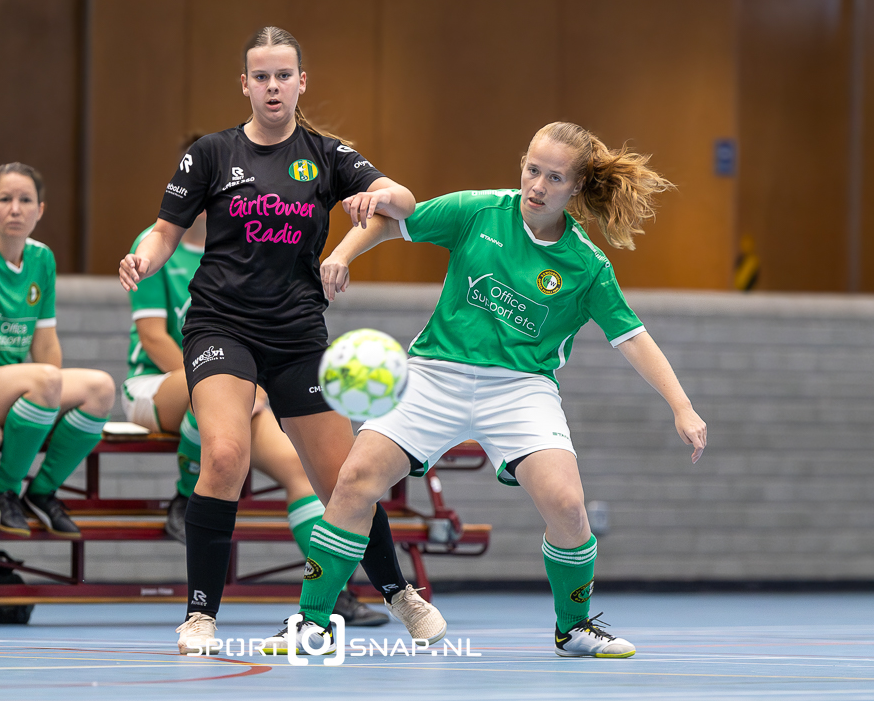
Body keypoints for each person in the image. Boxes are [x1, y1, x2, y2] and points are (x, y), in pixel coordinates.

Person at [280, 121, 708, 658]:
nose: (537, 186)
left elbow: (633, 338)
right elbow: (393, 221)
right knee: (355, 480)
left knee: (568, 506)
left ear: (575, 188)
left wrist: (682, 406)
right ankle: (311, 621)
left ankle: (572, 627)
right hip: (435, 373)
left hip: (522, 389)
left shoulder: (587, 266)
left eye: (554, 177)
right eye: (532, 169)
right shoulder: (479, 211)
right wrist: (342, 254)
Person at [120, 26, 444, 654]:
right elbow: (164, 231)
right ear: (244, 84)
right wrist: (145, 258)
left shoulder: (327, 154)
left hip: (297, 334)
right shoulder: (211, 154)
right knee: (222, 456)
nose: (272, 86)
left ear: (301, 82)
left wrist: (374, 195)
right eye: (260, 76)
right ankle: (200, 616)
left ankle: (399, 593)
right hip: (221, 325)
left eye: (283, 75)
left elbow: (402, 201)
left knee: (343, 480)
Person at [122, 205, 386, 626]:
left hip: (243, 395)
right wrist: (228, 383)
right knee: (209, 396)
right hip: (157, 386)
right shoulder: (156, 244)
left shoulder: (250, 246)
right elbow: (153, 337)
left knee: (298, 469)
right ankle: (186, 491)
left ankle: (332, 592)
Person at [0, 163, 116, 539]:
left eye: (25, 200)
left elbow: (45, 343)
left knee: (101, 388)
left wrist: (54, 398)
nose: (15, 209)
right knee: (43, 379)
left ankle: (41, 493)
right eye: (5, 199)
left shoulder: (42, 259)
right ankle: (3, 491)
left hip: (9, 385)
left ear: (40, 209)